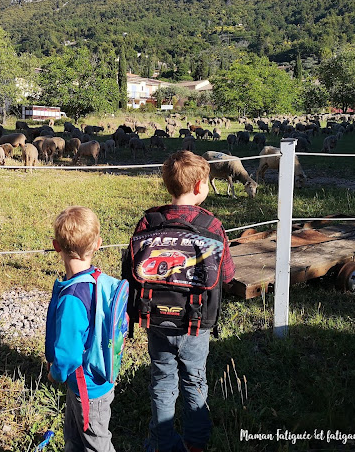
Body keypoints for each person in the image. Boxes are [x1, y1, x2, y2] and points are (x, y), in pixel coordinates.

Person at [123, 150, 236, 452]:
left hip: (154, 317)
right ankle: (196, 443)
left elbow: (130, 271)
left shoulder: (149, 222)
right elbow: (226, 275)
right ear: (200, 186)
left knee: (162, 379)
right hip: (196, 324)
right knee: (195, 380)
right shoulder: (211, 226)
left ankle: (161, 441)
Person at [45, 206, 117, 452]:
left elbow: (68, 353)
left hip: (86, 387)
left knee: (97, 444)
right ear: (98, 244)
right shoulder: (98, 279)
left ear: (57, 246)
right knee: (75, 438)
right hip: (97, 377)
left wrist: (56, 373)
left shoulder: (72, 298)